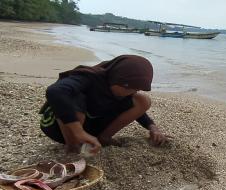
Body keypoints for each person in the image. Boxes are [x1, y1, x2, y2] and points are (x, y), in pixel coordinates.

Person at [39, 55, 169, 154]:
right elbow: (55, 91)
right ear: (118, 80)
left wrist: (152, 127)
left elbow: (135, 109)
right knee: (73, 95)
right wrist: (78, 132)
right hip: (58, 126)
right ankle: (73, 146)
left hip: (90, 123)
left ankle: (104, 138)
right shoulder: (88, 78)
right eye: (132, 88)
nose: (134, 92)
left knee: (143, 100)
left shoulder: (121, 89)